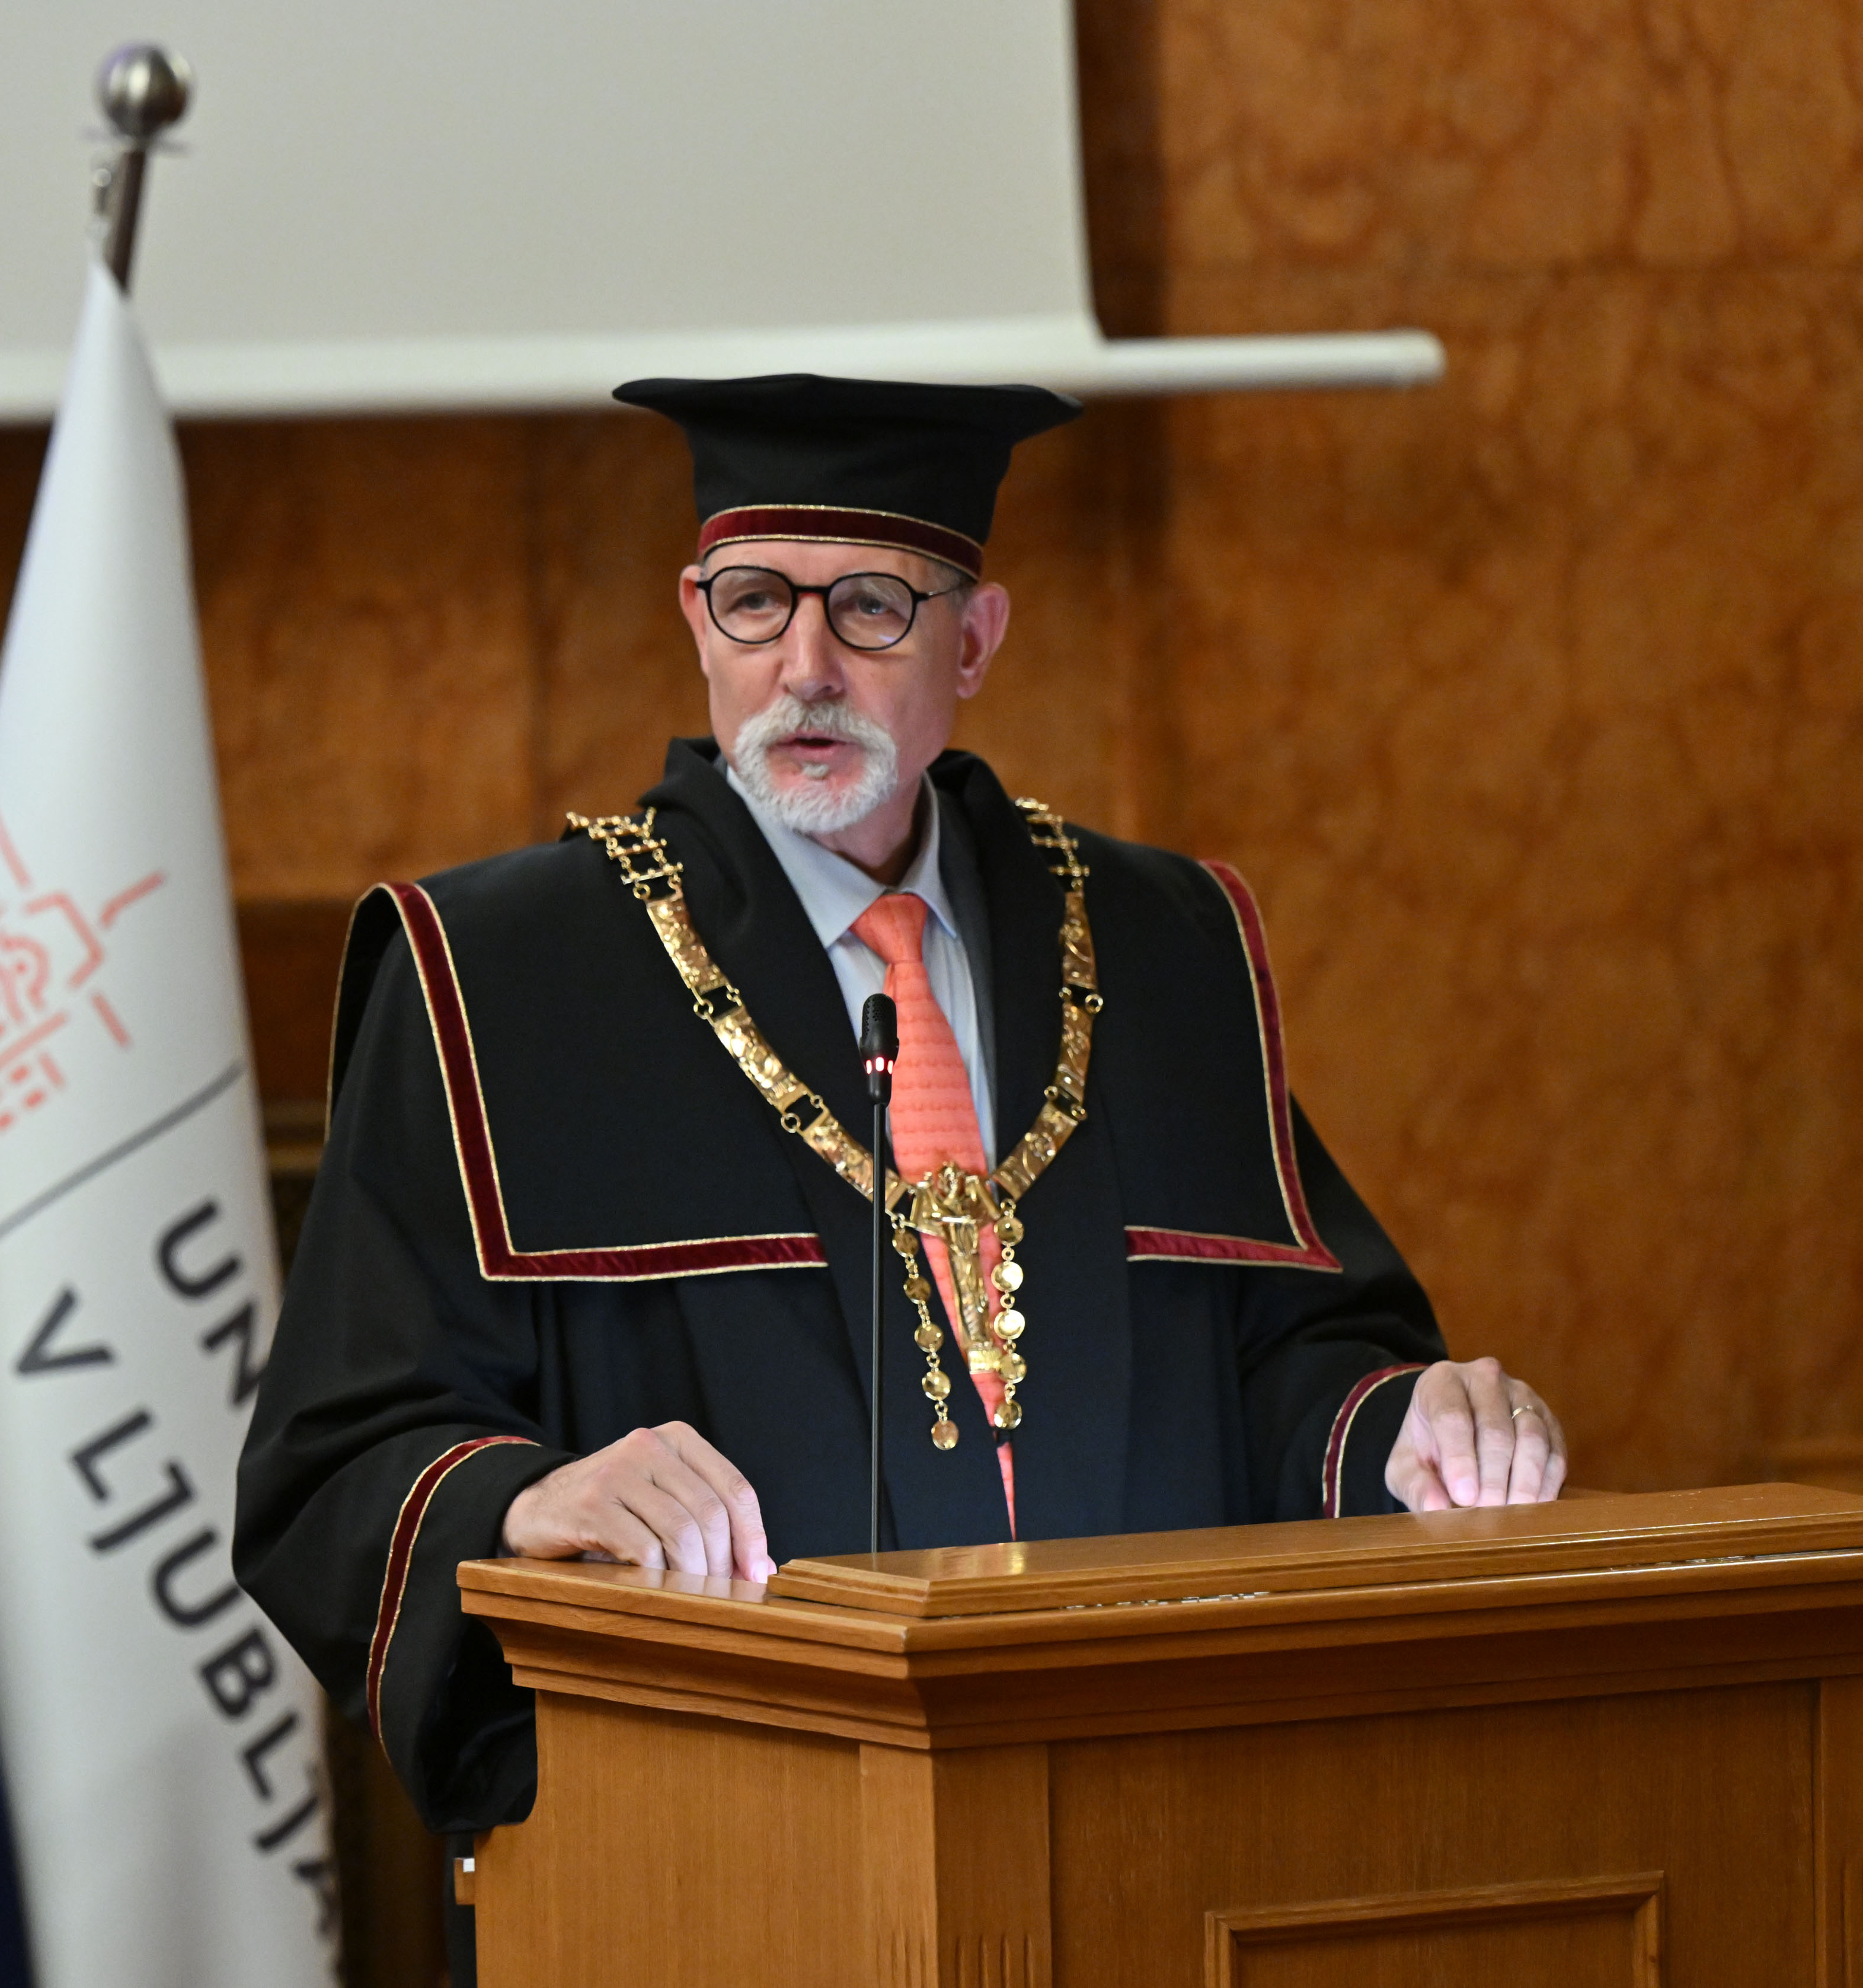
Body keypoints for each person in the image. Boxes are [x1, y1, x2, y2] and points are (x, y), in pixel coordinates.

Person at [232, 374, 1565, 1877]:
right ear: (693, 622)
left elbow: (1287, 1360)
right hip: (707, 1865)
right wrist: (528, 1500)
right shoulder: (499, 975)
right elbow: (331, 1472)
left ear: (974, 639)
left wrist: (1404, 1433)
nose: (803, 666)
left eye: (869, 606)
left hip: (1144, 1835)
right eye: (753, 603)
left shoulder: (1156, 943)